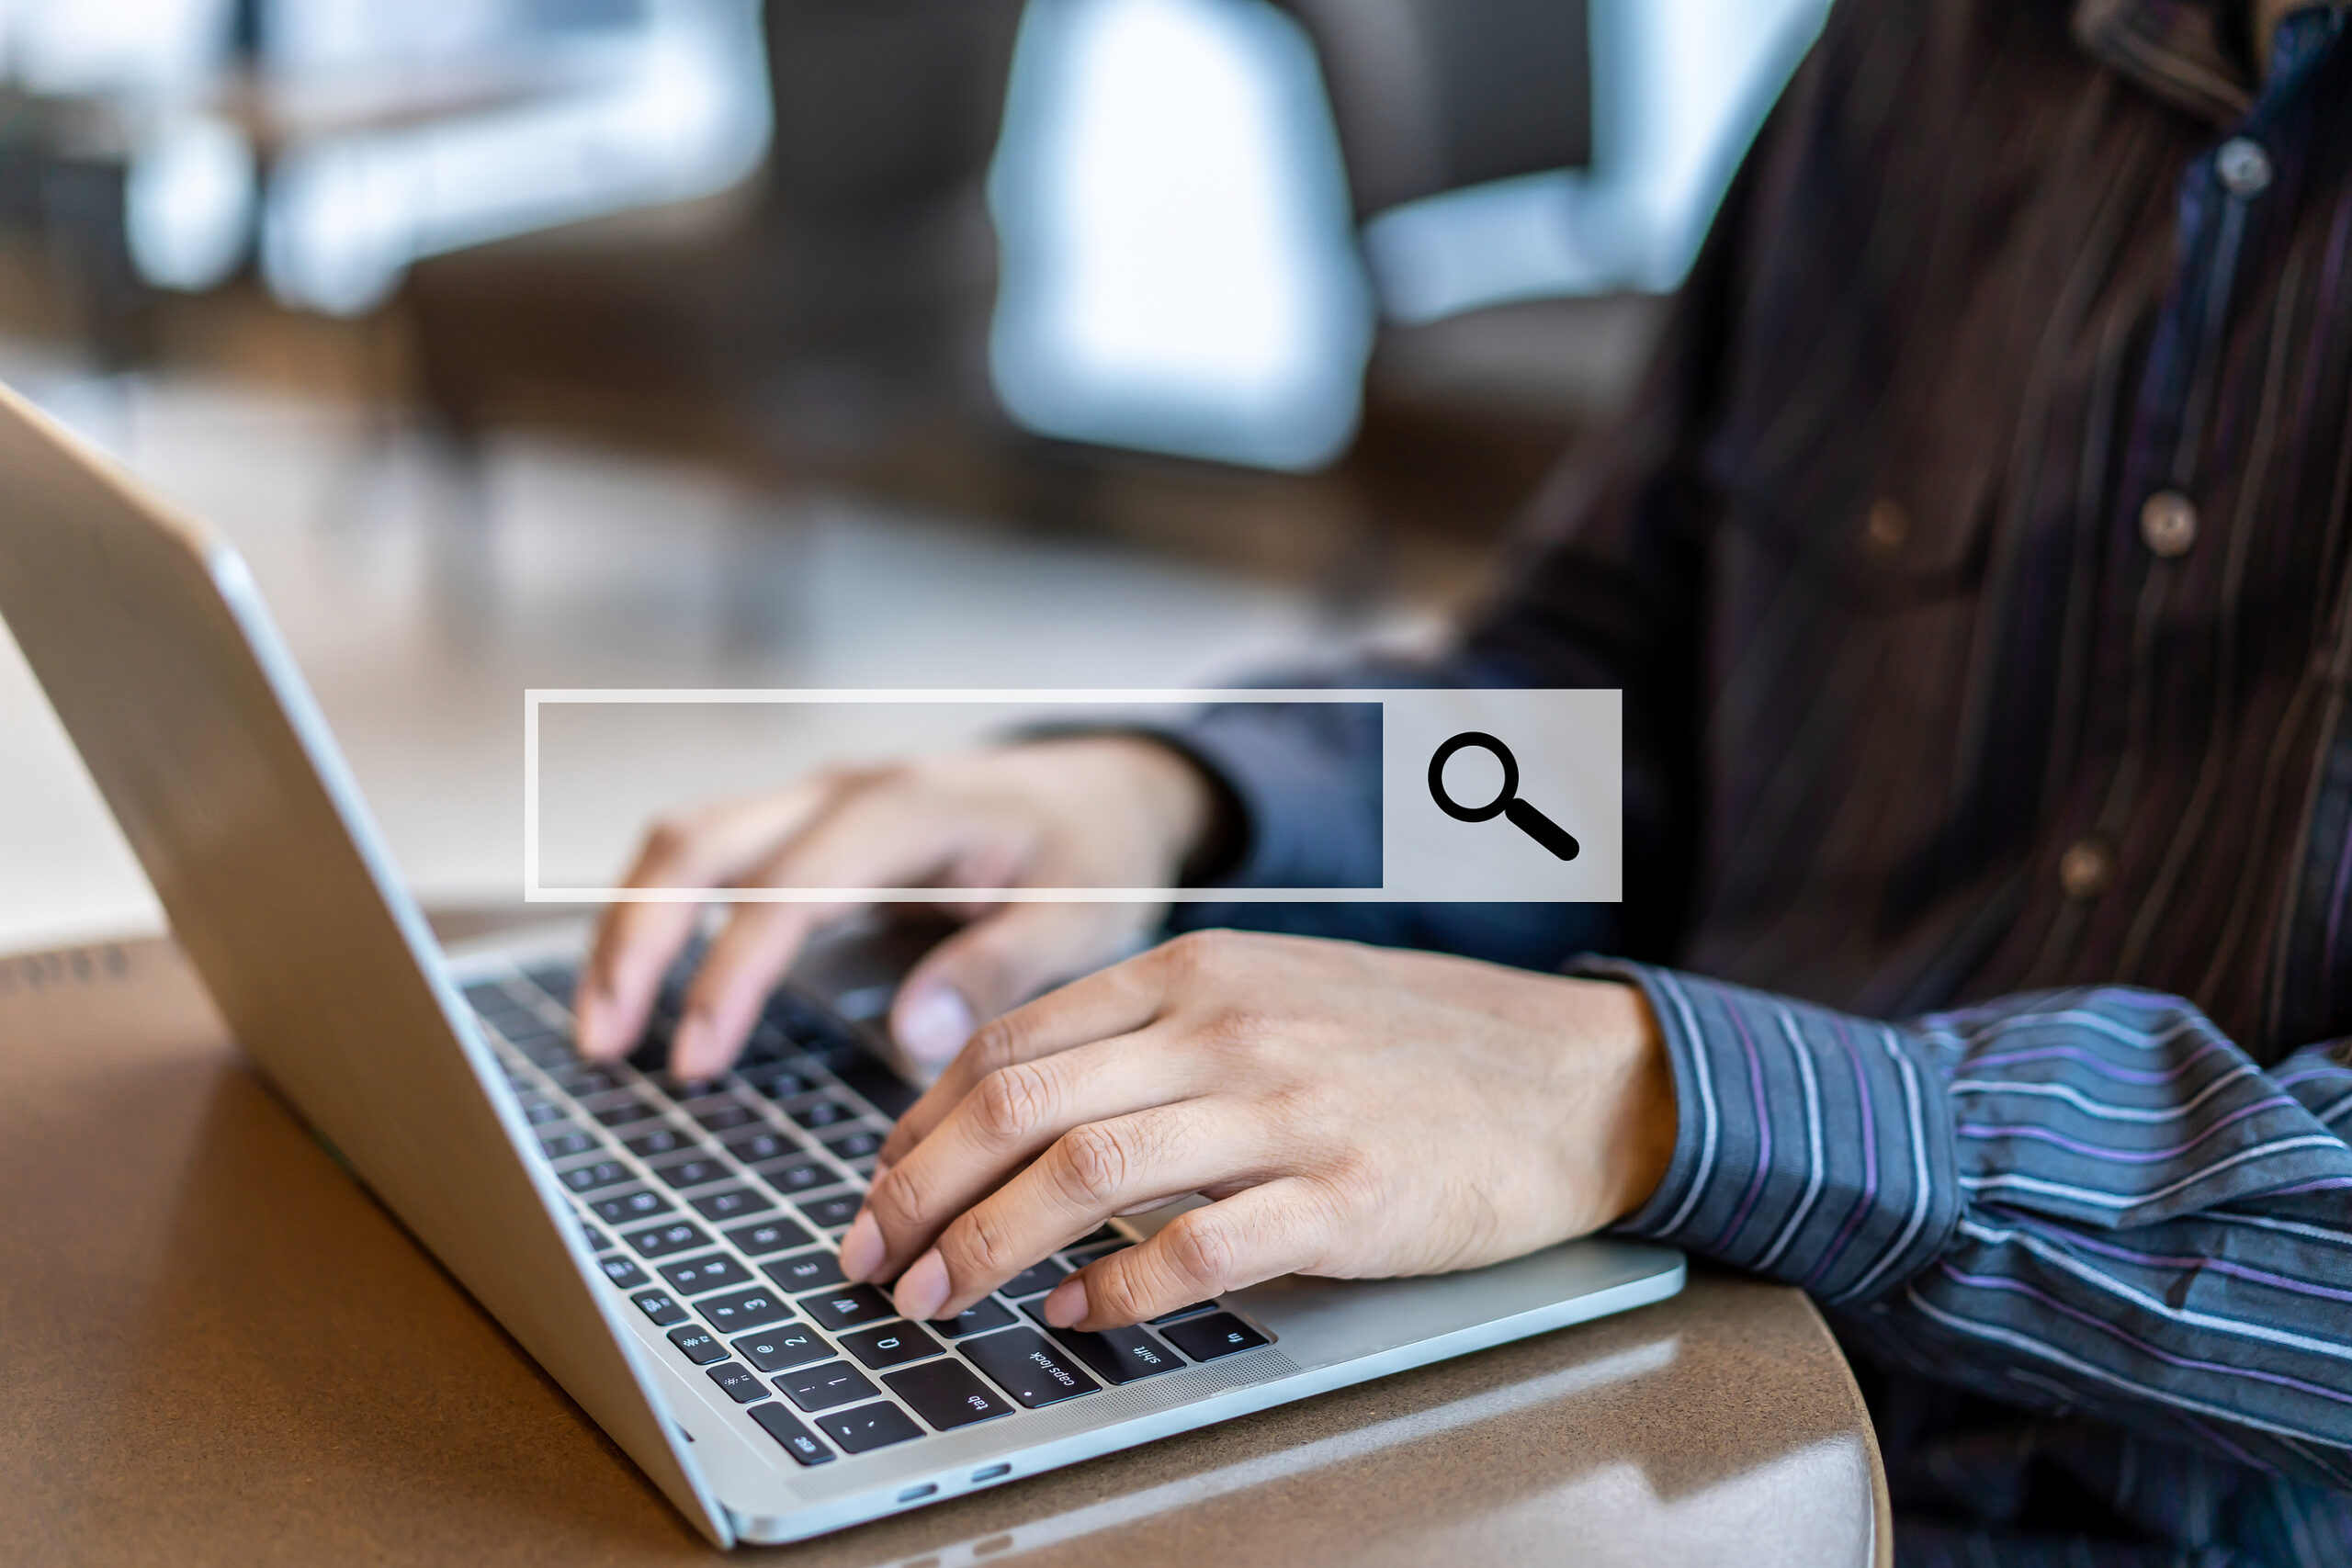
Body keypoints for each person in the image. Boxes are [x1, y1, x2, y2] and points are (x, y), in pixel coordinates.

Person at [576, 0, 2352, 1559]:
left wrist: (1642, 1088)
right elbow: (1606, 713)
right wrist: (1175, 801)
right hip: (1662, 1358)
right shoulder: (1930, 49)